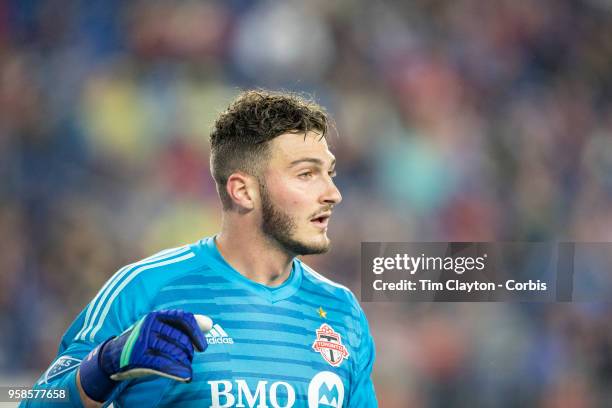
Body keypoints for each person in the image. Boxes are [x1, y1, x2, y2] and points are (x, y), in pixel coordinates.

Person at [23, 90, 377, 407]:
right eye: (306, 174)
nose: (332, 193)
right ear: (243, 191)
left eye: (330, 173)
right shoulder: (145, 287)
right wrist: (103, 365)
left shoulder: (341, 310)